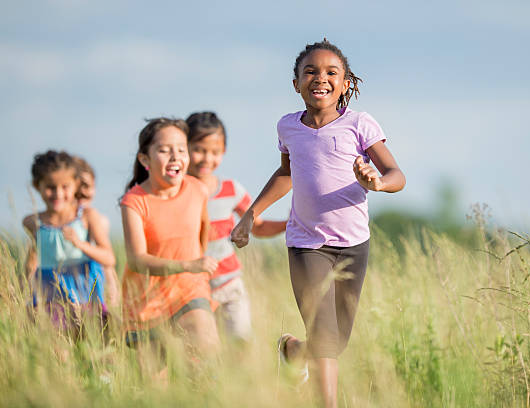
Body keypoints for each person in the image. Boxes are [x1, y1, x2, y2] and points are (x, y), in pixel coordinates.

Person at [231, 39, 405, 407]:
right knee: (325, 335)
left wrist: (376, 182)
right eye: (310, 71)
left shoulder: (360, 124)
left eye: (331, 72)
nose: (320, 78)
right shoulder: (288, 127)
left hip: (354, 244)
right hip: (306, 243)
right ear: (296, 83)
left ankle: (294, 351)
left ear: (345, 83)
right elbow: (286, 174)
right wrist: (251, 214)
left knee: (336, 339)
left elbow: (396, 174)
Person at [120, 117, 220, 360]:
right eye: (164, 150)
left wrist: (197, 269)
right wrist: (187, 265)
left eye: (181, 150)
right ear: (145, 159)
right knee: (155, 388)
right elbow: (136, 260)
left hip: (190, 291)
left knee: (206, 357)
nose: (175, 157)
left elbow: (201, 237)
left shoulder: (198, 190)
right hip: (146, 302)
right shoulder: (133, 202)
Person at [186, 111, 286, 342]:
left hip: (229, 283)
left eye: (214, 152)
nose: (206, 158)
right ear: (185, 147)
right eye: (199, 149)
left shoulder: (232, 189)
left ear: (224, 152)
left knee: (239, 342)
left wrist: (289, 224)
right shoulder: (178, 191)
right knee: (201, 350)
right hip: (192, 287)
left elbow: (257, 227)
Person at [23, 150, 117, 327]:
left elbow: (109, 258)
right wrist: (27, 291)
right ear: (38, 186)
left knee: (92, 344)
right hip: (50, 294)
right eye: (50, 187)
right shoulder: (33, 222)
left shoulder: (87, 217)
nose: (58, 194)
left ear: (75, 185)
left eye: (65, 187)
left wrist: (79, 243)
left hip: (86, 292)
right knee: (58, 348)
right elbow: (33, 259)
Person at [73, 156, 120, 308]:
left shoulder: (99, 220)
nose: (83, 193)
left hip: (93, 282)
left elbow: (107, 263)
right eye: (78, 188)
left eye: (88, 186)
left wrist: (113, 294)